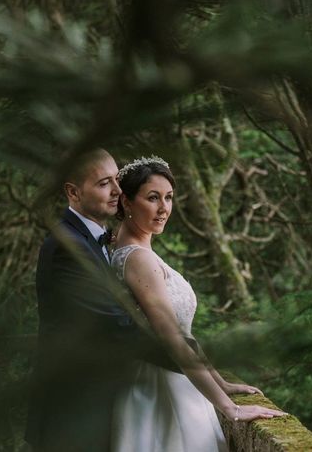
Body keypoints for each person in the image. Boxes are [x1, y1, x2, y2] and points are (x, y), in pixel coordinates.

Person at [110, 155, 287, 452]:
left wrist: (221, 382)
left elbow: (185, 334)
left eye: (168, 198)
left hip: (175, 380)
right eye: (152, 198)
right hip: (162, 387)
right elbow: (172, 338)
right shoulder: (138, 259)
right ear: (127, 202)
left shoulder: (129, 251)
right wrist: (230, 407)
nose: (164, 208)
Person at [25, 149, 177, 452]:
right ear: (73, 192)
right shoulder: (68, 247)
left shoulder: (98, 241)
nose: (118, 191)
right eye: (105, 183)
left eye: (117, 181)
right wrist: (197, 366)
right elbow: (118, 326)